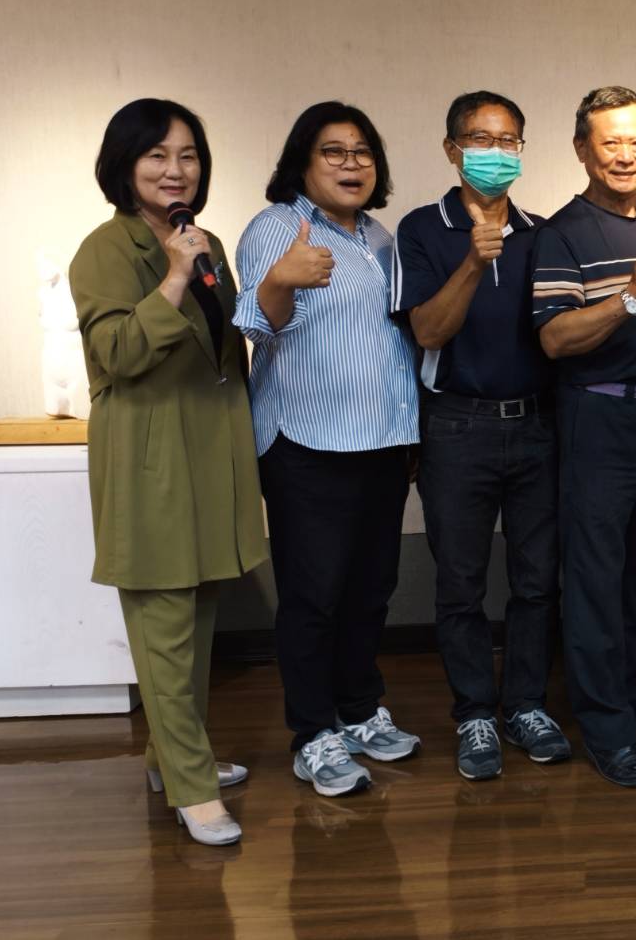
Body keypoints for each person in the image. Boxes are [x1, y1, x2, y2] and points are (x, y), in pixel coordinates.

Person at [69, 98, 268, 846]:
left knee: (198, 615)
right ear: (125, 166)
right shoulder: (105, 249)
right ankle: (191, 787)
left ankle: (172, 755)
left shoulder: (202, 239)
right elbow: (116, 354)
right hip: (150, 454)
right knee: (163, 624)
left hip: (209, 449)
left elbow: (226, 347)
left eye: (187, 155)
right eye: (156, 155)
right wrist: (176, 278)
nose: (174, 169)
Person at [234, 101, 421, 797]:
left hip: (382, 441)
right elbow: (257, 325)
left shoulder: (378, 236)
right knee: (313, 596)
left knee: (371, 589)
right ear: (302, 163)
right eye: (333, 152)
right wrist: (280, 280)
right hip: (307, 443)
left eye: (362, 151)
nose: (352, 164)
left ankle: (359, 710)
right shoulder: (276, 227)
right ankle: (312, 733)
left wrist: (411, 430)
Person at [392, 90, 570, 781]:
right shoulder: (421, 229)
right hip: (455, 428)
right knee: (460, 583)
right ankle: (473, 714)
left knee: (536, 581)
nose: (496, 153)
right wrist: (472, 260)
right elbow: (429, 331)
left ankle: (525, 705)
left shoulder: (542, 233)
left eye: (508, 142)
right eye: (480, 140)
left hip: (536, 426)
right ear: (452, 149)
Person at [531, 86, 636, 788]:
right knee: (595, 577)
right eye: (611, 142)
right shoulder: (562, 233)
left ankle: (632, 694)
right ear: (581, 150)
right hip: (598, 418)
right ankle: (605, 727)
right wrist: (630, 298)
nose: (626, 155)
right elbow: (555, 338)